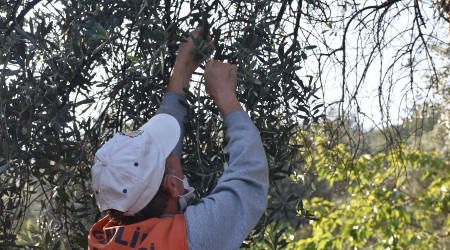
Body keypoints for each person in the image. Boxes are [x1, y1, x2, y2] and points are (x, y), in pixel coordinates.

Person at [88, 27, 269, 250]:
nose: (175, 153)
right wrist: (225, 95)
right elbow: (249, 175)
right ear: (173, 186)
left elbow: (152, 172)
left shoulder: (105, 238)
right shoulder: (193, 238)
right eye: (169, 155)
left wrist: (182, 67)